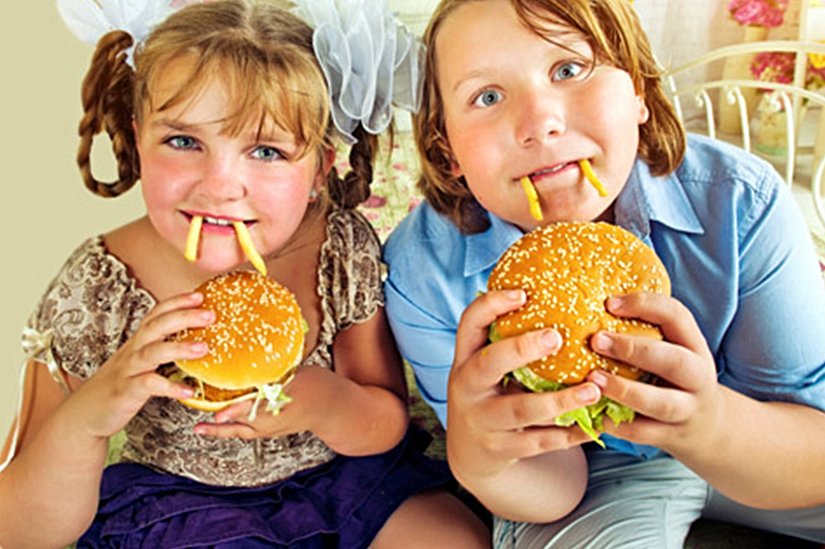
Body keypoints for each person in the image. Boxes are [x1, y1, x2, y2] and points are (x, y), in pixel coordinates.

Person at [0, 1, 490, 547]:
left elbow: (383, 424)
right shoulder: (98, 286)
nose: (220, 184)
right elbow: (19, 528)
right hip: (177, 506)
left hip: (342, 484)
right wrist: (91, 415)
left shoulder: (338, 249)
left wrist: (321, 400)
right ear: (139, 138)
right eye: (184, 141)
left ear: (318, 171)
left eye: (266, 150)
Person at [383, 0, 825, 546]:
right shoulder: (421, 271)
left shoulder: (743, 203)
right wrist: (483, 458)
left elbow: (811, 453)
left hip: (757, 432)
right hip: (599, 476)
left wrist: (708, 425)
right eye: (487, 96)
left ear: (638, 90)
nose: (540, 123)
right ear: (446, 150)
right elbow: (553, 495)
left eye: (568, 70)